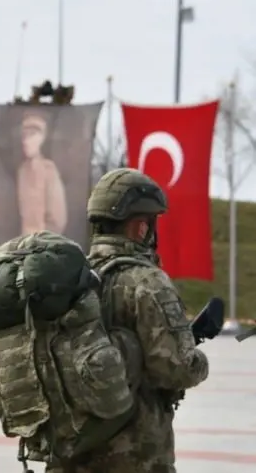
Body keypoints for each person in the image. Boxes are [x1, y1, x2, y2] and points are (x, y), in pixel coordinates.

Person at [64, 167, 210, 472]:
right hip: (133, 457)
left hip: (70, 453)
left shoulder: (68, 279)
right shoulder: (146, 281)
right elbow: (176, 369)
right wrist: (198, 359)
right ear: (140, 227)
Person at [17, 111, 67, 235]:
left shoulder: (49, 170)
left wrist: (44, 239)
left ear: (41, 138)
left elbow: (58, 218)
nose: (25, 141)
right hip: (24, 240)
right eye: (24, 136)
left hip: (43, 240)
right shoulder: (22, 171)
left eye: (31, 135)